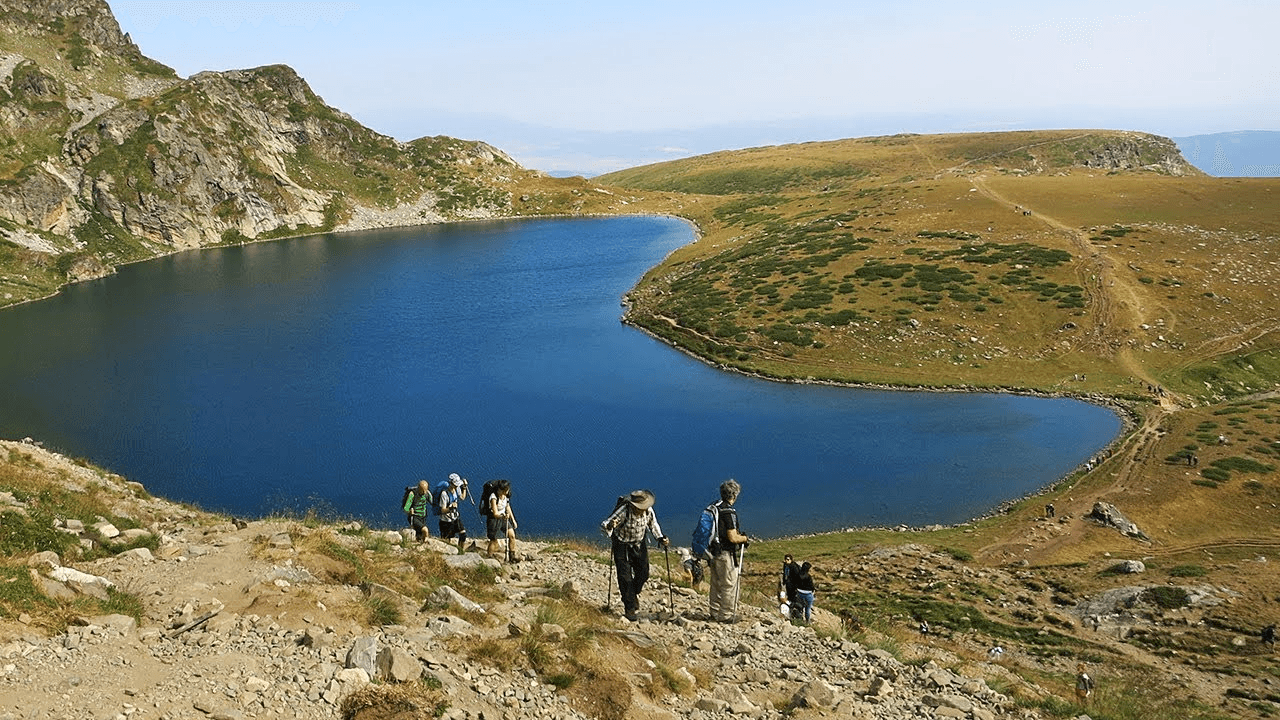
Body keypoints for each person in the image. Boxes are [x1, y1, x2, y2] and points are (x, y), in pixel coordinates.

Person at [600, 489, 669, 621]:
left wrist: (660, 538)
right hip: (622, 545)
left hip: (638, 543)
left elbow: (653, 525)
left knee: (643, 573)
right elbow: (605, 524)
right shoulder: (624, 511)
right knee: (625, 577)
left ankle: (632, 594)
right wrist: (610, 525)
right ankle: (630, 607)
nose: (642, 509)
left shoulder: (648, 511)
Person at [706, 479, 750, 623]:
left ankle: (714, 611)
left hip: (712, 551)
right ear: (734, 495)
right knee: (729, 584)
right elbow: (732, 537)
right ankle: (726, 615)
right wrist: (744, 538)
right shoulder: (729, 512)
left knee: (716, 583)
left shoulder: (714, 506)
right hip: (725, 553)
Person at [485, 479, 518, 562]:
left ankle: (512, 557)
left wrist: (513, 520)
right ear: (503, 490)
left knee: (512, 536)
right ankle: (489, 557)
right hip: (494, 520)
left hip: (504, 518)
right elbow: (495, 513)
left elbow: (507, 507)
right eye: (507, 490)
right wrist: (502, 516)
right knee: (493, 540)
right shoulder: (493, 497)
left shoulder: (506, 496)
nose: (508, 491)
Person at [436, 473, 469, 552]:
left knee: (463, 534)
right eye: (455, 484)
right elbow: (442, 510)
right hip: (446, 521)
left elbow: (462, 497)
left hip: (455, 518)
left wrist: (464, 487)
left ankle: (460, 551)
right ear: (451, 483)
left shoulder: (456, 489)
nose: (457, 486)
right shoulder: (444, 494)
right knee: (446, 540)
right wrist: (451, 507)